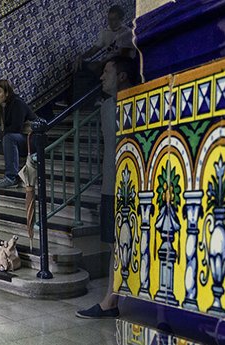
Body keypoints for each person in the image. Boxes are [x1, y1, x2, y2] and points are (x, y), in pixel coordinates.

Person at [76, 56, 136, 319]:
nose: (101, 77)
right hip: (111, 184)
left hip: (131, 185)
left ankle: (113, 299)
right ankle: (112, 298)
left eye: (107, 72)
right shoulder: (107, 107)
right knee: (114, 243)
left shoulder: (138, 103)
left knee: (123, 242)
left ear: (122, 76)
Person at [0, 80, 37, 188]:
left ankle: (11, 177)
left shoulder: (17, 103)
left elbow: (16, 128)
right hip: (15, 140)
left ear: (6, 93)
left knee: (9, 137)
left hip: (31, 140)